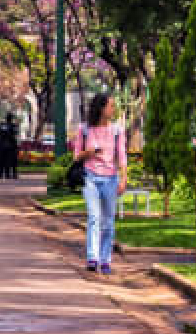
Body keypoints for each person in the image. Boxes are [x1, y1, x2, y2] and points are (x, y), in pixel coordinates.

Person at [72, 94, 127, 275]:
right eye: (110, 106)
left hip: (111, 179)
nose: (113, 109)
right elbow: (76, 156)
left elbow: (121, 156)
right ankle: (92, 258)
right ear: (101, 108)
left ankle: (105, 260)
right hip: (90, 178)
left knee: (108, 222)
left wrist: (123, 178)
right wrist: (88, 152)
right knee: (94, 218)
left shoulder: (117, 130)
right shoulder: (84, 129)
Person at [0, 115, 21, 179]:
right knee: (10, 161)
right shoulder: (13, 126)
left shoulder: (1, 125)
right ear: (11, 119)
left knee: (1, 160)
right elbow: (15, 134)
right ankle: (8, 174)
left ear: (6, 119)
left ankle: (0, 174)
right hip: (10, 146)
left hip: (2, 145)